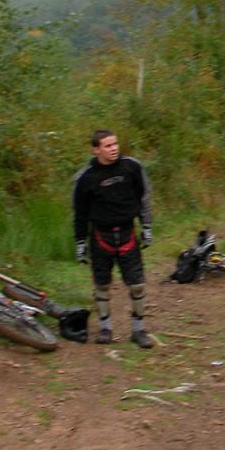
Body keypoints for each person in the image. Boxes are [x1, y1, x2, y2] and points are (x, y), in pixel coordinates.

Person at [72, 129, 154, 349]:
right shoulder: (85, 178)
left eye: (115, 144)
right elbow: (79, 212)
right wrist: (80, 242)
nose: (114, 148)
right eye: (107, 146)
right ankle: (105, 328)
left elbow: (144, 196)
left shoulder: (132, 167)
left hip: (128, 233)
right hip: (100, 236)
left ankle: (139, 330)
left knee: (137, 285)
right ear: (96, 149)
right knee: (102, 285)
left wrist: (147, 226)